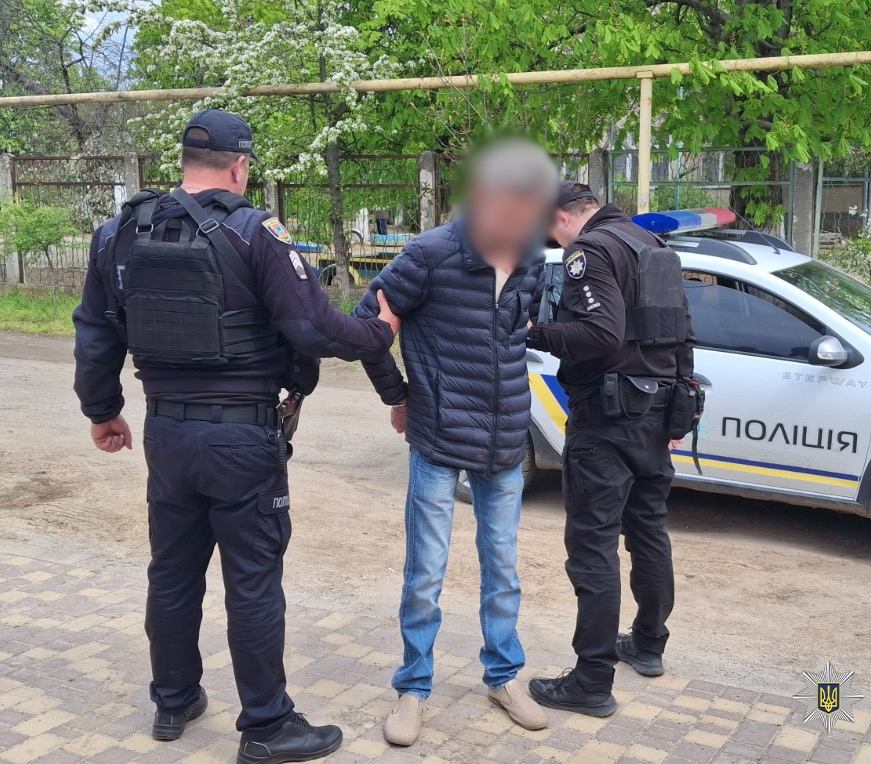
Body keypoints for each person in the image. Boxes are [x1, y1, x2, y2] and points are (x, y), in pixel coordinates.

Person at [73, 109, 401, 764]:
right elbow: (313, 329)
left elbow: (95, 330)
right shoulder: (256, 232)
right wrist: (380, 332)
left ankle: (173, 700)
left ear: (184, 161)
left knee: (172, 571)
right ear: (240, 166)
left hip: (166, 433)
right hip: (242, 440)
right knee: (252, 581)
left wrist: (102, 411)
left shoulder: (119, 233)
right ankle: (268, 727)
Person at [353, 137, 555, 746]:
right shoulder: (431, 253)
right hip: (439, 440)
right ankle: (413, 688)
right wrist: (399, 395)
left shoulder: (531, 258)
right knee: (425, 573)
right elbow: (368, 327)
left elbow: (517, 333)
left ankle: (503, 677)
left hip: (505, 441)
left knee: (504, 569)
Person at [527, 181, 695, 717]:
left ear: (562, 217)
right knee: (648, 532)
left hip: (607, 420)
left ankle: (592, 681)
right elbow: (682, 333)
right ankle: (648, 644)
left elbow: (601, 333)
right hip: (656, 413)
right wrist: (680, 410)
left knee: (593, 546)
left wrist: (537, 333)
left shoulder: (589, 251)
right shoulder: (651, 245)